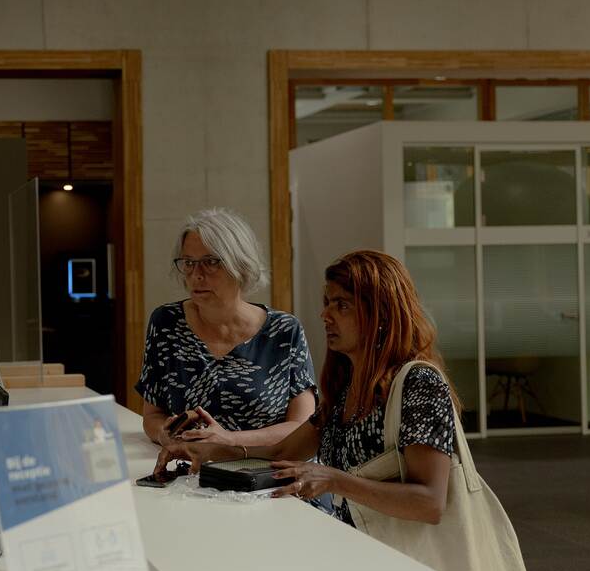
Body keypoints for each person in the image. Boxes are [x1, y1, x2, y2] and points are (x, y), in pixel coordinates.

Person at [154, 250, 456, 528]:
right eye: (327, 303)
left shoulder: (419, 384)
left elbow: (430, 502)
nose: (326, 315)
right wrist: (210, 449)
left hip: (406, 569)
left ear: (381, 315)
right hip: (356, 552)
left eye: (342, 305)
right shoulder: (346, 389)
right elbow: (284, 451)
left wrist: (334, 480)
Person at [136, 207, 317, 454]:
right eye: (188, 263)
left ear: (239, 265)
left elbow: (302, 427)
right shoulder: (166, 323)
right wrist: (164, 434)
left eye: (210, 263)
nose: (196, 275)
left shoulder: (284, 331)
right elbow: (152, 416)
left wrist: (229, 440)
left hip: (265, 474)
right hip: (192, 475)